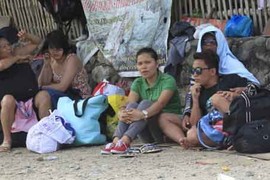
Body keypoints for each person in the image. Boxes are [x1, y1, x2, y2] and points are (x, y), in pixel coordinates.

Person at [159, 50, 248, 148]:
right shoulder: (197, 90)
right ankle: (183, 141)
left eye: (198, 70)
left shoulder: (231, 81)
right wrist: (195, 100)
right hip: (212, 128)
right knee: (188, 132)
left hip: (233, 123)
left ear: (213, 71)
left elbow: (252, 95)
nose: (195, 75)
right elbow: (195, 124)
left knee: (216, 99)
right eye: (192, 71)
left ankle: (239, 136)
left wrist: (235, 94)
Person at [101, 47, 181, 154]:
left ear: (157, 64)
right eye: (140, 64)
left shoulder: (168, 80)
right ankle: (117, 141)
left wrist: (143, 114)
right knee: (132, 106)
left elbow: (160, 104)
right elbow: (130, 103)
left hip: (164, 130)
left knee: (145, 103)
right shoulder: (138, 82)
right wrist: (122, 112)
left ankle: (125, 140)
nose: (143, 67)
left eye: (148, 62)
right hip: (145, 131)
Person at [181, 25, 260, 132]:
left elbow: (255, 87)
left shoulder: (231, 66)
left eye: (212, 42)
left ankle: (239, 132)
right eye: (204, 43)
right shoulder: (198, 66)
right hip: (206, 118)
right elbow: (191, 93)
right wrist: (187, 113)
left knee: (216, 99)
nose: (208, 46)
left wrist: (241, 91)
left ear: (220, 43)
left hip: (231, 113)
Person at [0, 31, 51, 152]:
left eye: (8, 45)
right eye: (3, 47)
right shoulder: (15, 57)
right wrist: (17, 58)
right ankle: (7, 140)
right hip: (11, 102)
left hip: (29, 97)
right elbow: (2, 65)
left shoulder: (16, 52)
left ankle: (46, 133)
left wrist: (27, 36)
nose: (8, 48)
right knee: (8, 99)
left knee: (44, 95)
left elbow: (39, 43)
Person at [38, 30, 91, 109]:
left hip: (79, 98)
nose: (55, 52)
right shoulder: (51, 60)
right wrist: (46, 65)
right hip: (63, 96)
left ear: (64, 48)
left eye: (58, 49)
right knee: (41, 96)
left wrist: (44, 87)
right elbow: (42, 83)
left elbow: (62, 87)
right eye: (52, 49)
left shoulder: (71, 59)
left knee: (46, 95)